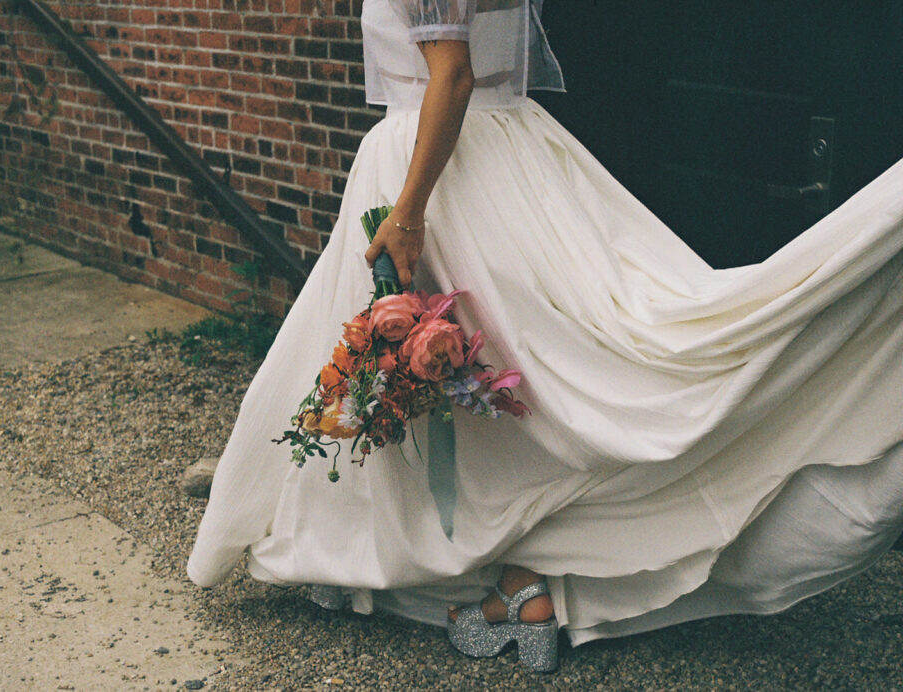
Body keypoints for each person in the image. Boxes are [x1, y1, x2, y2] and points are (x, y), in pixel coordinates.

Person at [188, 0, 903, 673]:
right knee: (485, 372)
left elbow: (453, 75)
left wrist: (409, 211)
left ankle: (413, 561)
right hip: (506, 149)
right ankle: (471, 572)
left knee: (480, 373)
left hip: (444, 170)